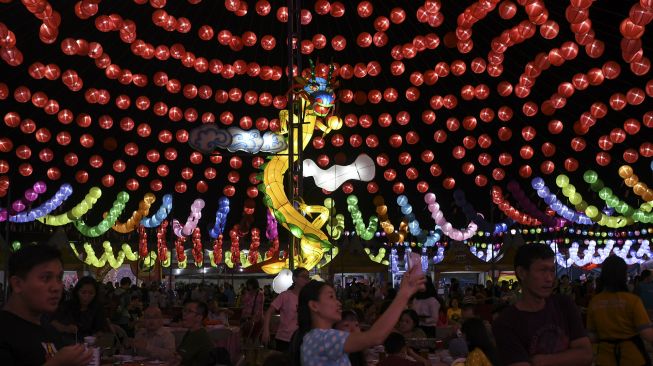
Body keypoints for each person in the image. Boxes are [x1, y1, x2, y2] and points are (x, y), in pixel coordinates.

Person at [289, 268, 425, 366]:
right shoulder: (322, 338)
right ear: (314, 306)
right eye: (331, 297)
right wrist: (404, 294)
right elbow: (375, 336)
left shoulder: (314, 337)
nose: (338, 303)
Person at [492, 244, 592, 366]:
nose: (549, 278)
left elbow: (586, 354)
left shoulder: (564, 305)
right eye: (543, 270)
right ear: (522, 273)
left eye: (552, 271)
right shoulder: (506, 322)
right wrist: (569, 357)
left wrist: (543, 361)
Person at [0, 244, 93, 365]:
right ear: (17, 284)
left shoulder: (49, 330)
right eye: (45, 278)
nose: (56, 287)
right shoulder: (4, 330)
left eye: (59, 278)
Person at [587, 255, 653, 366]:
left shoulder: (594, 302)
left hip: (605, 360)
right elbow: (646, 332)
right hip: (633, 358)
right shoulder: (632, 300)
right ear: (623, 275)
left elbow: (592, 336)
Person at [262, 267, 310, 352]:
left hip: (303, 339)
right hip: (285, 338)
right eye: (303, 276)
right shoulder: (285, 296)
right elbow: (269, 312)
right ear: (294, 278)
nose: (306, 280)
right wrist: (266, 330)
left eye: (308, 277)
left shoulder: (308, 298)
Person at [175, 300, 214, 366]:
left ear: (199, 317)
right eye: (184, 310)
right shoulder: (192, 332)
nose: (184, 314)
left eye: (189, 311)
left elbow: (177, 360)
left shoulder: (199, 335)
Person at [241, 278, 265, 342]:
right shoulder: (248, 293)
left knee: (253, 337)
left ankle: (250, 347)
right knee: (245, 337)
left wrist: (253, 317)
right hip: (246, 317)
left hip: (255, 318)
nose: (248, 286)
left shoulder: (260, 294)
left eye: (249, 285)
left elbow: (259, 308)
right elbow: (243, 302)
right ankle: (246, 348)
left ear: (253, 284)